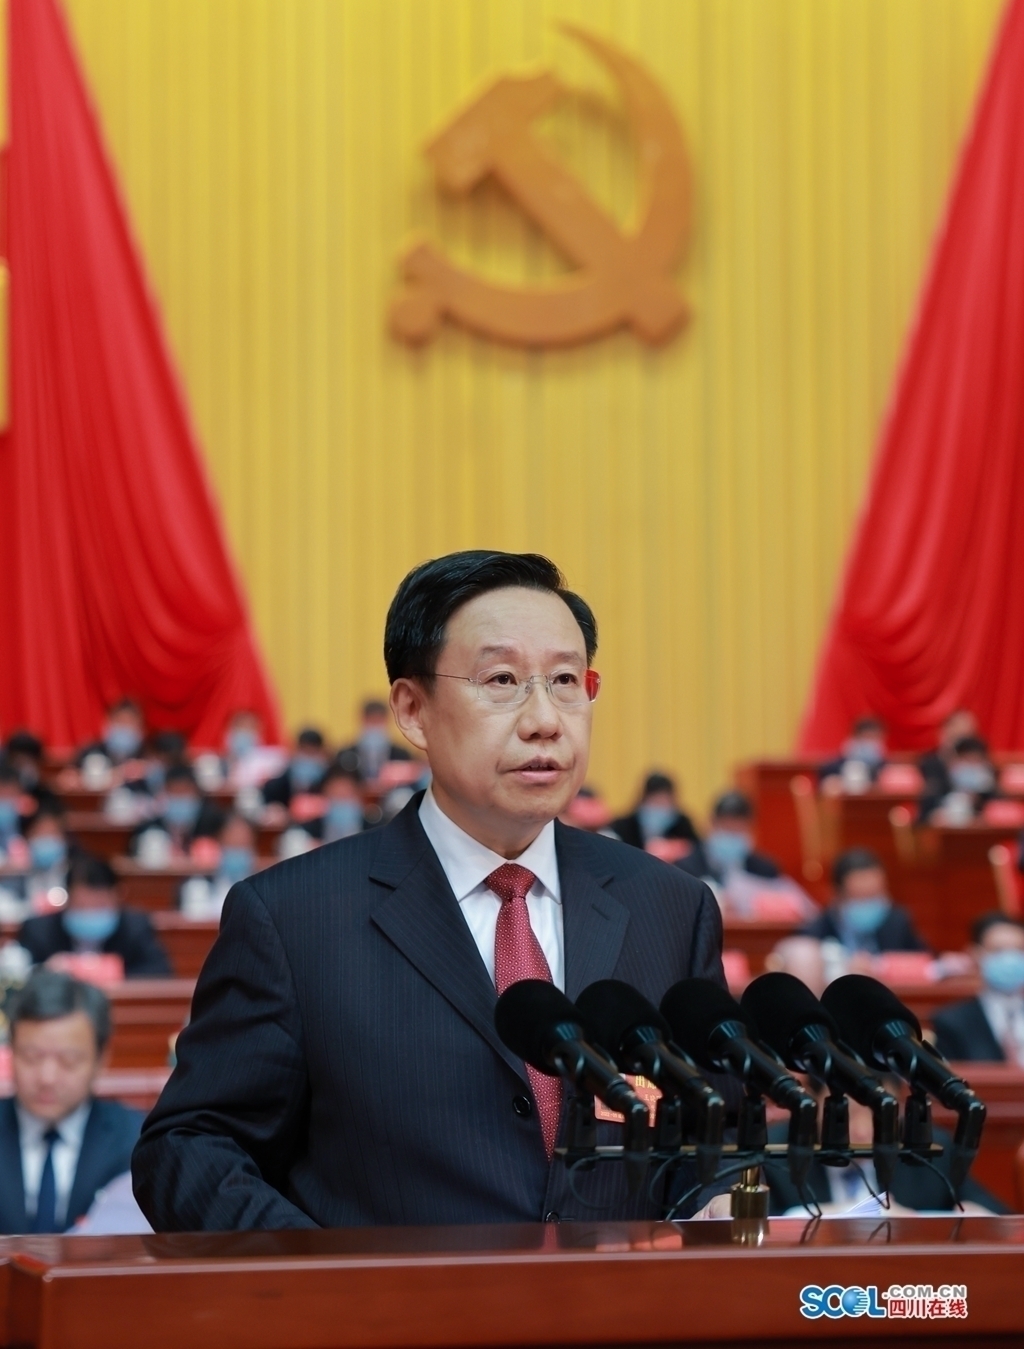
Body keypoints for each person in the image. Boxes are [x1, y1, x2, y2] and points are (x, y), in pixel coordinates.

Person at [133, 549, 728, 1230]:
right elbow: (189, 1147)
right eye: (502, 680)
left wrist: (716, 1197)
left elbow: (711, 1134)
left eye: (566, 680)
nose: (545, 719)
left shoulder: (670, 908)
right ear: (413, 710)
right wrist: (325, 1275)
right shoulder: (292, 919)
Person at [0, 970, 143, 1233]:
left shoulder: (137, 1140)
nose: (47, 1078)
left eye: (68, 1060)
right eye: (31, 1056)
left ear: (101, 1060)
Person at [764, 1080, 1005, 1216]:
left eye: (879, 1116)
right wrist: (852, 1215)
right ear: (812, 1103)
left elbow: (994, 1215)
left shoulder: (927, 1148)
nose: (863, 1131)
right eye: (845, 1115)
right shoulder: (775, 1151)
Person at [18, 854, 171, 978]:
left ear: (116, 896)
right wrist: (45, 971)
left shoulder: (135, 928)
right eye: (81, 906)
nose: (90, 913)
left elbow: (160, 972)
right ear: (68, 900)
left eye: (100, 906)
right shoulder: (39, 930)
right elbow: (18, 974)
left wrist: (106, 971)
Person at [932, 913, 1024, 1064]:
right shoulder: (952, 1022)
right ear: (975, 954)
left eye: (1019, 950)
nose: (1010, 959)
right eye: (998, 950)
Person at [797, 848, 927, 953]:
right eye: (860, 898)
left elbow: (926, 959)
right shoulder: (817, 929)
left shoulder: (897, 922)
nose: (868, 905)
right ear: (836, 895)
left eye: (875, 896)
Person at [130, 765, 223, 863]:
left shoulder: (214, 823)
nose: (179, 798)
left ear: (196, 792)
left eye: (184, 792)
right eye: (174, 792)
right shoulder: (150, 826)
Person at [178, 812, 259, 918]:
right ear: (219, 841)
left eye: (243, 842)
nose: (237, 847)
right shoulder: (198, 884)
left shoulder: (263, 887)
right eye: (232, 841)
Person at [919, 735, 999, 824]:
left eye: (976, 760)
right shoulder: (940, 782)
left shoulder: (989, 787)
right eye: (967, 760)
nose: (971, 766)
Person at [610, 772, 699, 851]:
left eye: (664, 802)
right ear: (643, 799)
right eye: (655, 801)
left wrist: (678, 848)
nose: (659, 807)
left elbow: (696, 849)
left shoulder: (683, 826)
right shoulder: (624, 826)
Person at [334, 699, 413, 782]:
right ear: (362, 721)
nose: (375, 727)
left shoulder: (402, 755)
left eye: (378, 721)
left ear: (387, 721)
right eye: (371, 721)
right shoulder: (345, 755)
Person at [918, 709, 979, 802]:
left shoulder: (980, 763)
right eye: (955, 734)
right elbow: (932, 796)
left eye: (965, 736)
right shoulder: (930, 763)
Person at [262, 728, 330, 808]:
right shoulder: (274, 788)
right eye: (304, 752)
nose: (307, 759)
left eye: (312, 753)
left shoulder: (331, 787)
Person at [819, 715, 888, 791]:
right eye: (866, 738)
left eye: (874, 738)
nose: (869, 744)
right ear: (855, 738)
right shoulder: (836, 765)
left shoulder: (884, 767)